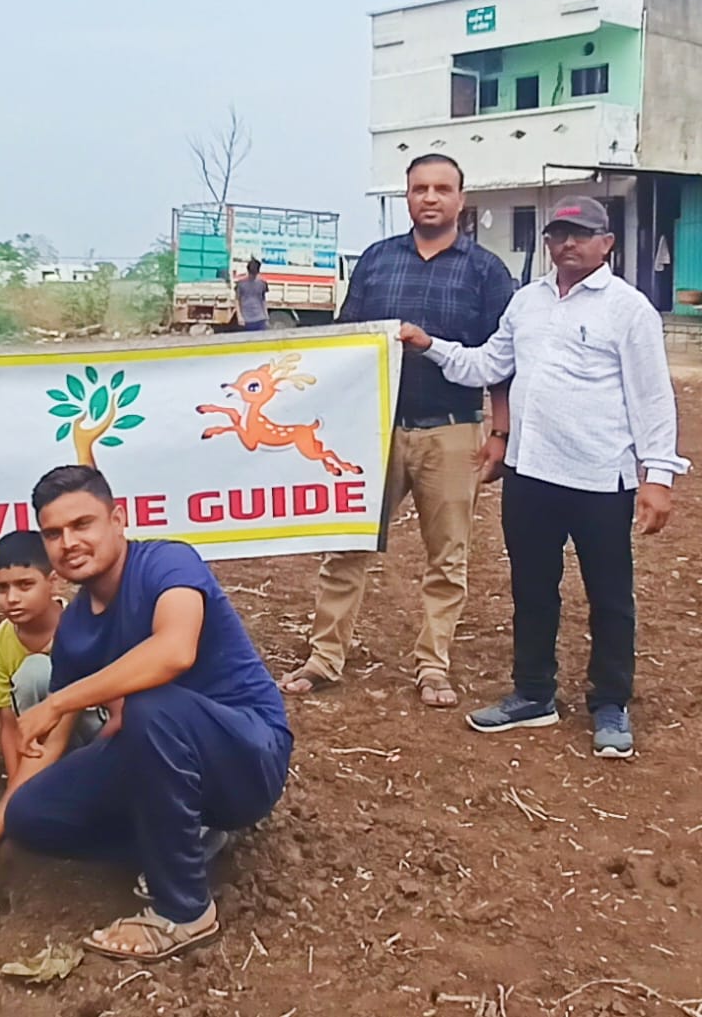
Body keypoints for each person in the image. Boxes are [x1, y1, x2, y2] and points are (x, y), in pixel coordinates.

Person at [0, 466, 293, 963]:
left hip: (248, 756)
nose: (69, 542)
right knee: (32, 814)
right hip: (163, 752)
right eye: (54, 533)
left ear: (117, 519)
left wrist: (61, 700)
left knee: (151, 705)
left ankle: (185, 911)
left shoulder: (167, 563)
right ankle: (185, 838)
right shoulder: (77, 631)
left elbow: (173, 652)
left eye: (82, 524)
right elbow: (50, 748)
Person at [398, 196, 689, 758]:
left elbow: (652, 399)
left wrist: (657, 476)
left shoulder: (628, 310)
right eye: (558, 235)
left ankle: (610, 703)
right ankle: (533, 693)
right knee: (533, 590)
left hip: (601, 477)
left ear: (607, 243)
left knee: (609, 595)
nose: (567, 245)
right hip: (530, 473)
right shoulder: (526, 303)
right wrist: (429, 346)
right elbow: (488, 365)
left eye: (580, 235)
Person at [280, 153, 515, 708]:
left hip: (452, 431)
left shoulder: (487, 271)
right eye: (419, 189)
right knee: (346, 545)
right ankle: (325, 657)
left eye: (442, 189)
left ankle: (433, 665)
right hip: (372, 431)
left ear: (461, 198)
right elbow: (344, 343)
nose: (430, 198)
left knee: (447, 556)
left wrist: (499, 432)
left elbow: (501, 360)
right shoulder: (376, 262)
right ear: (406, 197)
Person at [0, 531, 109, 821]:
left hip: (100, 736)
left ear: (53, 581)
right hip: (46, 747)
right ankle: (44, 784)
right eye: (1, 588)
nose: (11, 598)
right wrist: (14, 789)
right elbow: (5, 721)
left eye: (25, 585)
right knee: (32, 676)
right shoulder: (0, 643)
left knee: (37, 670)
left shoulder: (85, 624)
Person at [235, 258, 268, 332]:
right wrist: (239, 316)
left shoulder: (262, 284)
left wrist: (266, 315)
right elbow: (237, 300)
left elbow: (263, 300)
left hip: (260, 318)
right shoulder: (241, 284)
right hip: (246, 319)